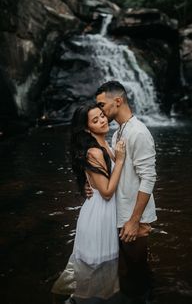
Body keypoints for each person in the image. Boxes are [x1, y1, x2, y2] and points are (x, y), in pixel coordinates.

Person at [51, 102, 126, 303]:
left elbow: (99, 181)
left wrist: (88, 182)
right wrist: (119, 161)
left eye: (102, 115)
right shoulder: (94, 152)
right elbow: (108, 192)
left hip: (104, 212)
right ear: (86, 128)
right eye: (95, 120)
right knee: (96, 269)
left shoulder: (104, 145)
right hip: (99, 216)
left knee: (101, 274)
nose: (102, 120)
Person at [93, 81, 157, 302]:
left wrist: (134, 220)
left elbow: (148, 178)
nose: (99, 110)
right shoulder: (118, 132)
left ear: (117, 101)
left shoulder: (138, 132)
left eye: (102, 104)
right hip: (122, 214)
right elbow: (119, 173)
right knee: (128, 271)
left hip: (133, 217)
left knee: (138, 274)